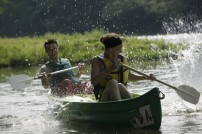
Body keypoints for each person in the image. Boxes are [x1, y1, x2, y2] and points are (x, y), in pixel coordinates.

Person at [91, 33, 155, 101]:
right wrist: (111, 68)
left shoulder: (122, 59)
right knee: (113, 83)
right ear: (110, 49)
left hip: (121, 98)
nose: (121, 51)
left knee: (120, 85)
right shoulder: (97, 61)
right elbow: (94, 81)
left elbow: (130, 76)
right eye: (118, 49)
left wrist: (147, 77)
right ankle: (120, 106)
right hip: (104, 100)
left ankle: (130, 104)